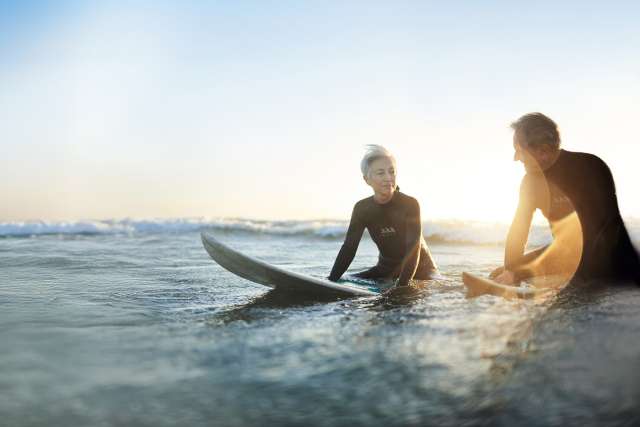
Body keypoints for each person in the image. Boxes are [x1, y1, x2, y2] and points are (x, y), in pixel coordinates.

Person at [492, 112, 640, 286]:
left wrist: (520, 272)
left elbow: (593, 236)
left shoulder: (590, 167)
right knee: (500, 273)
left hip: (609, 259)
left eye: (519, 151)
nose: (515, 158)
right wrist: (510, 270)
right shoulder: (530, 182)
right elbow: (519, 230)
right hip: (566, 253)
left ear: (544, 151)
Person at [328, 145, 437, 287]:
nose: (388, 178)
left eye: (392, 172)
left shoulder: (409, 204)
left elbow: (413, 249)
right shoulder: (362, 208)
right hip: (385, 270)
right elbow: (349, 248)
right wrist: (331, 282)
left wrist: (401, 287)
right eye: (381, 173)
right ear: (367, 179)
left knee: (439, 287)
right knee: (346, 278)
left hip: (422, 271)